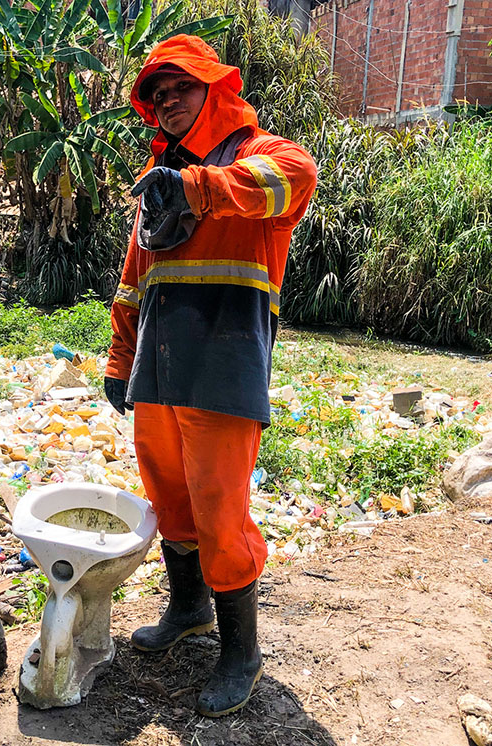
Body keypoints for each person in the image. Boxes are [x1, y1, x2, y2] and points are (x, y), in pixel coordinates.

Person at [104, 35, 317, 717]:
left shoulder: (261, 155)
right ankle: (189, 610)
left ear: (215, 90)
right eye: (158, 96)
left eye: (181, 90)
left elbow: (293, 182)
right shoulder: (157, 178)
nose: (167, 104)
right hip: (160, 357)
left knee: (221, 508)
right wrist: (118, 355)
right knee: (170, 493)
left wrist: (195, 184)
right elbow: (136, 276)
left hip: (226, 353)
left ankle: (240, 652)